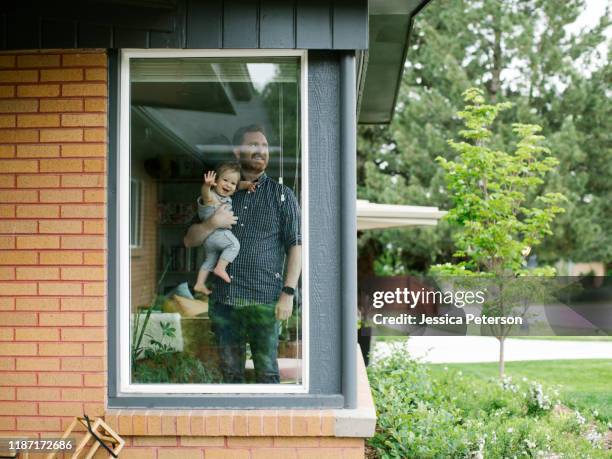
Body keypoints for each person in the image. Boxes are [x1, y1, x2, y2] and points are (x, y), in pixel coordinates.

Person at [184, 124, 301, 383]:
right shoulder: (219, 193)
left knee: (268, 373)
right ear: (237, 152)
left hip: (265, 300)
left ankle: (269, 425)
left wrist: (289, 293)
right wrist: (211, 223)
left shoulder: (282, 195)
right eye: (253, 145)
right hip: (226, 301)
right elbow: (189, 241)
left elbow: (296, 245)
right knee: (229, 375)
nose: (261, 150)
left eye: (264, 146)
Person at [193, 163, 255, 294]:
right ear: (216, 181)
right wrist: (206, 185)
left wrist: (248, 185)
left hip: (208, 240)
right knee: (234, 245)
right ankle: (221, 268)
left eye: (232, 183)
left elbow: (239, 185)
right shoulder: (212, 197)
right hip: (218, 233)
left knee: (209, 261)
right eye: (225, 180)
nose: (228, 185)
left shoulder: (227, 195)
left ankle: (199, 284)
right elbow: (205, 194)